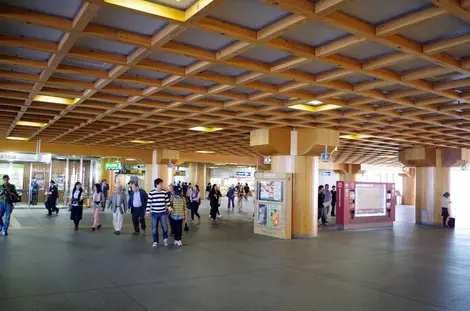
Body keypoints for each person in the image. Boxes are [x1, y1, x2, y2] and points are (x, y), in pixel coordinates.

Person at [146, 178, 170, 247]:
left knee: (165, 227)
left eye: (162, 184)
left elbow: (167, 201)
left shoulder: (164, 192)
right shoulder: (151, 192)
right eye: (160, 184)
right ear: (156, 184)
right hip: (154, 213)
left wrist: (169, 207)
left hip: (163, 212)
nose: (161, 185)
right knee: (154, 228)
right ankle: (155, 241)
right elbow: (149, 202)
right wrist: (148, 211)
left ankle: (165, 239)